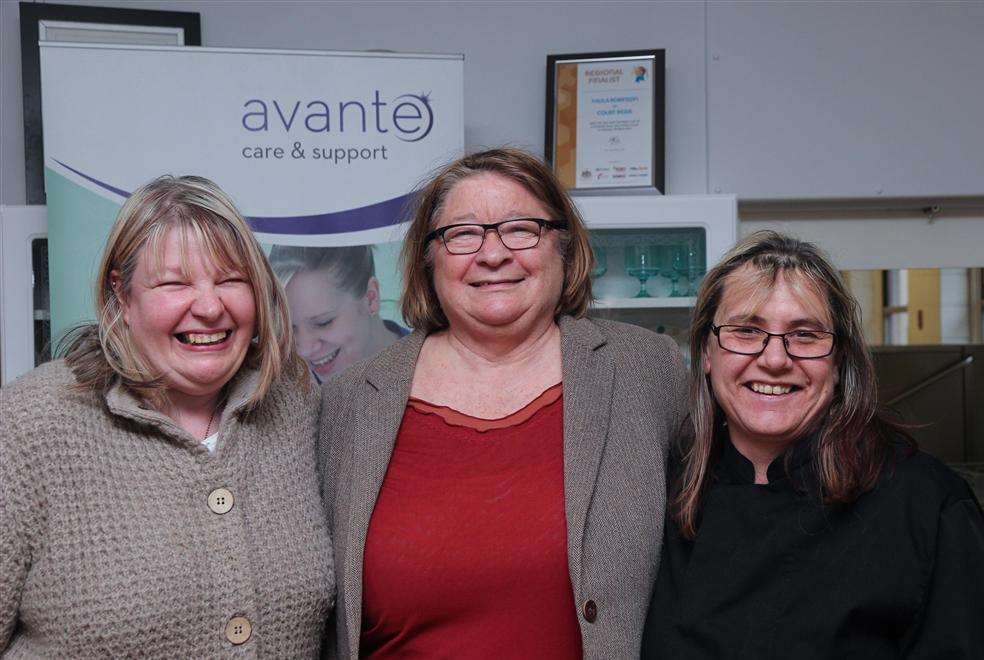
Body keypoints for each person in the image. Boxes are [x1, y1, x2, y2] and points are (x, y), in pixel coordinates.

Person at [318, 148, 688, 658]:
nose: (492, 254)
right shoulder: (348, 404)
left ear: (563, 245)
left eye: (520, 228)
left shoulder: (644, 371)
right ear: (430, 259)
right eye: (463, 233)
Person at [0, 176, 334, 657]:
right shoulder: (29, 425)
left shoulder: (295, 406)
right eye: (174, 283)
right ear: (122, 296)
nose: (209, 307)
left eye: (230, 280)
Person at [642, 231, 984, 658]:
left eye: (805, 335)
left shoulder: (927, 503)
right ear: (707, 354)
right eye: (747, 330)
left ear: (839, 362)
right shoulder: (657, 491)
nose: (775, 359)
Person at [269, 245, 407, 382]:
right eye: (290, 329)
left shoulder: (425, 368)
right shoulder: (283, 388)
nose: (305, 350)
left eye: (323, 323)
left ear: (371, 298)